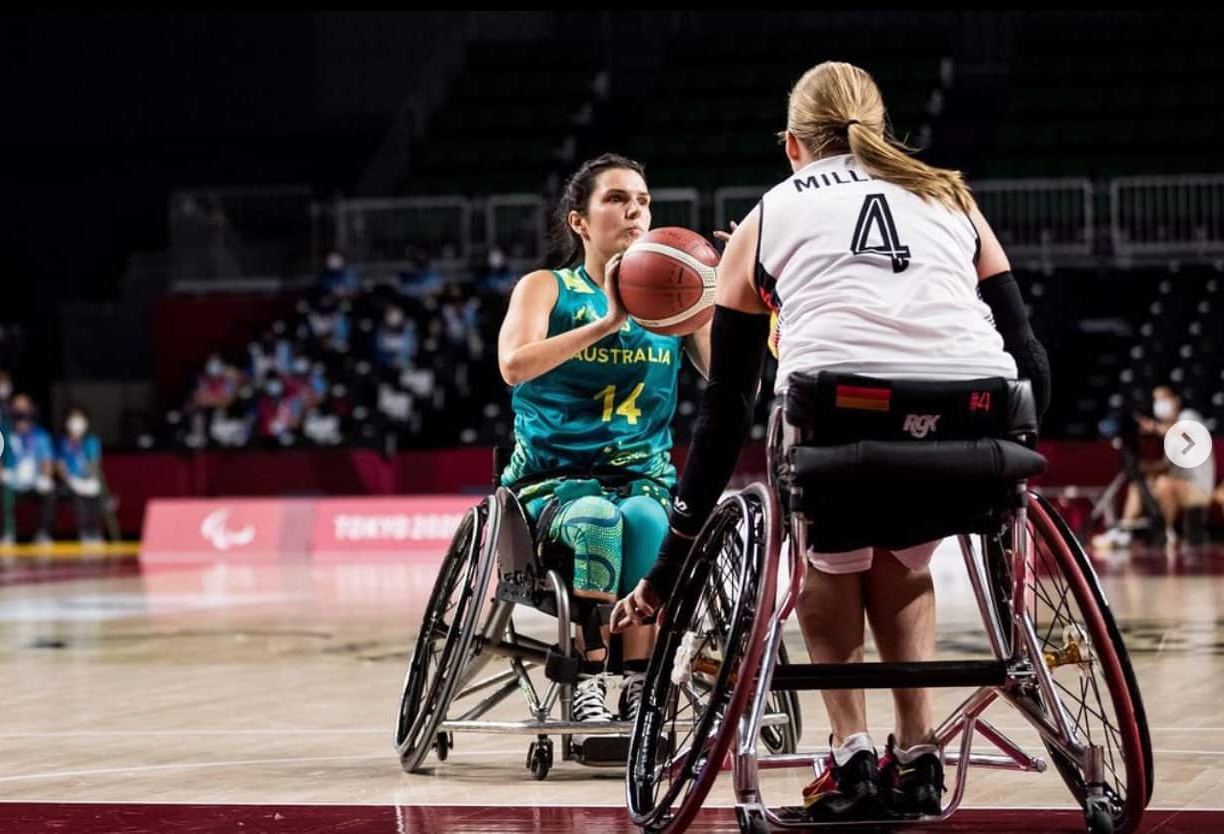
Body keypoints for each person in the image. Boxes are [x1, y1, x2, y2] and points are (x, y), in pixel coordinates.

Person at [611, 62, 1050, 820]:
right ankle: (918, 757)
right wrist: (1019, 439)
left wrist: (666, 570)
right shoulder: (952, 195)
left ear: (791, 146)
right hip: (978, 423)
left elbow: (726, 412)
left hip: (840, 425)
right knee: (907, 556)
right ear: (880, 132)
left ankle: (849, 756)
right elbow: (1031, 356)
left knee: (829, 559)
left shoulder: (768, 215)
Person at [497, 153, 712, 737]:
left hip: (642, 478)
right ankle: (589, 680)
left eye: (642, 200)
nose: (634, 211)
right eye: (617, 199)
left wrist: (732, 299)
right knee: (596, 519)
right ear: (580, 222)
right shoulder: (547, 287)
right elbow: (513, 365)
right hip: (553, 481)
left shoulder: (674, 300)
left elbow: (730, 377)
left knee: (645, 520)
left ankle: (641, 682)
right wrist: (606, 322)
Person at [1094, 385, 1214, 550]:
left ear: (1176, 400)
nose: (1159, 405)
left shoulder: (1188, 417)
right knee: (1138, 486)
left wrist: (1154, 427)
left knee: (1164, 484)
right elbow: (1166, 466)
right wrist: (1142, 469)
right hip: (1179, 484)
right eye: (1156, 400)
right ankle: (1124, 531)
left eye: (1163, 399)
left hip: (1199, 488)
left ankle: (1166, 532)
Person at [0, 394, 58, 546]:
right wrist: (2, 474)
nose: (21, 413)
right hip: (11, 482)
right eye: (17, 408)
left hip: (33, 482)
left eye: (24, 408)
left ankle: (43, 533)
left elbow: (47, 462)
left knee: (51, 489)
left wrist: (44, 477)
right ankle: (5, 533)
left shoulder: (41, 435)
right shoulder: (3, 434)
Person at [56, 408, 107, 545]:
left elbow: (94, 463)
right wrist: (70, 480)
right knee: (78, 496)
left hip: (87, 479)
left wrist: (92, 477)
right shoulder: (62, 442)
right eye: (74, 419)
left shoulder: (91, 441)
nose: (76, 423)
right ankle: (84, 532)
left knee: (94, 492)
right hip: (70, 480)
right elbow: (60, 465)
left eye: (80, 419)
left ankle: (95, 531)